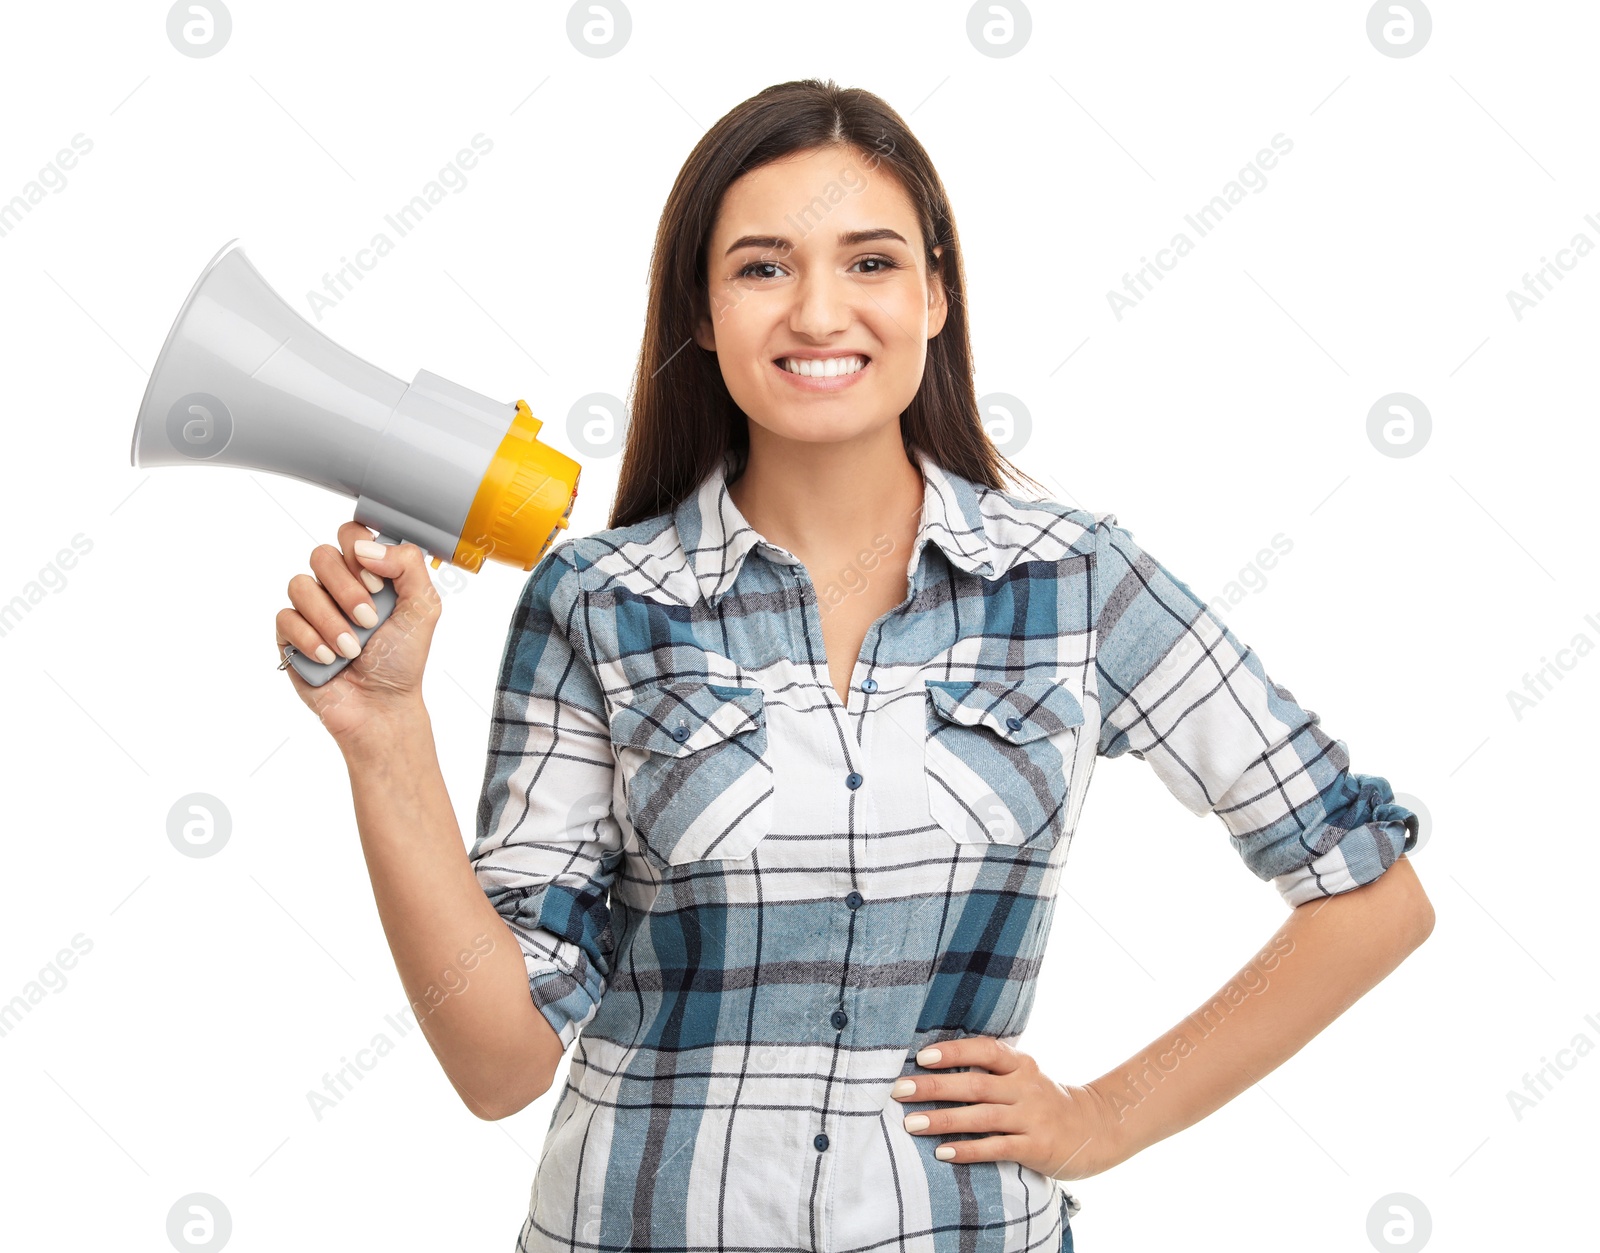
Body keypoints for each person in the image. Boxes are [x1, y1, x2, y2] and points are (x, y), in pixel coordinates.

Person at [274, 78, 1435, 1253]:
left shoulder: (1077, 581)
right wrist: (385, 734)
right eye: (764, 267)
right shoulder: (596, 601)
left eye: (871, 262)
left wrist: (1103, 1118)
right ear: (702, 309)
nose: (819, 312)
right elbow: (496, 1060)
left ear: (936, 295)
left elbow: (1370, 896)